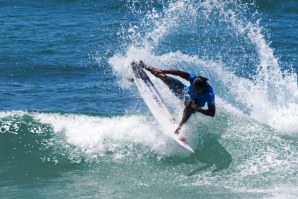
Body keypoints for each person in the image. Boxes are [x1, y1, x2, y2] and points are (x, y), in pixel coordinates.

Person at [138, 60, 216, 134]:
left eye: (198, 90)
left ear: (203, 88)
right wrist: (163, 71)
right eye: (195, 89)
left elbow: (212, 113)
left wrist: (198, 109)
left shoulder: (209, 94)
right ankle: (145, 66)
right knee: (165, 77)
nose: (196, 92)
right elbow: (178, 72)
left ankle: (180, 126)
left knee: (189, 105)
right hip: (184, 92)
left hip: (195, 104)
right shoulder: (194, 78)